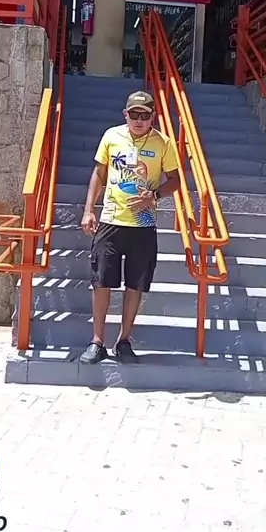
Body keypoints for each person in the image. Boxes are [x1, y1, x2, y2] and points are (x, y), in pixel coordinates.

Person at [80, 90, 180, 364]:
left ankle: (124, 340)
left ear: (153, 117)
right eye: (133, 115)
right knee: (101, 281)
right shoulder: (111, 136)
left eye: (144, 116)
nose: (138, 120)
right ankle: (97, 341)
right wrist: (89, 210)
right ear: (125, 115)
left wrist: (154, 196)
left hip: (143, 225)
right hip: (110, 220)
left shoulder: (163, 143)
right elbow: (99, 173)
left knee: (136, 284)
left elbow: (175, 180)